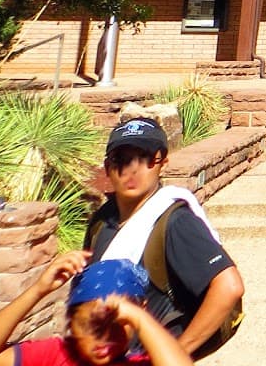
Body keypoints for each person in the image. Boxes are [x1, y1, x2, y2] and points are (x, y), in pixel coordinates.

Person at [83, 118, 244, 358]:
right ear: (107, 167)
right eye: (121, 159)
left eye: (145, 158)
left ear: (162, 163)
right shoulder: (101, 222)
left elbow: (228, 287)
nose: (132, 169)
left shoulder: (175, 222)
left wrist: (174, 354)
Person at [0, 253, 194, 366]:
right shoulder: (56, 355)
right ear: (70, 322)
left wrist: (138, 316)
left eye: (117, 324)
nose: (103, 338)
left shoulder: (142, 362)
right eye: (90, 326)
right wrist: (37, 291)